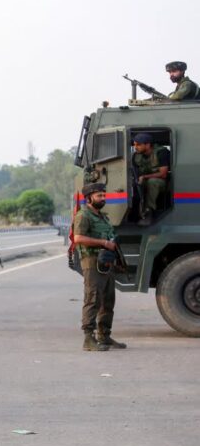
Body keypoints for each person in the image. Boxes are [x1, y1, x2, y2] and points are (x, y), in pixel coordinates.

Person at [72, 183, 127, 351]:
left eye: (104, 195)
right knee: (93, 298)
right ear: (89, 198)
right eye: (99, 196)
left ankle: (104, 336)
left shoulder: (103, 217)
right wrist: (103, 242)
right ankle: (88, 339)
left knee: (108, 300)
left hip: (106, 262)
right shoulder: (83, 216)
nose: (103, 199)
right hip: (91, 260)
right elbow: (78, 238)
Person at [132, 133, 169, 226]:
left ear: (148, 145)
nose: (135, 147)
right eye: (134, 144)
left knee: (152, 182)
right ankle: (134, 212)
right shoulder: (136, 156)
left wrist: (144, 177)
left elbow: (163, 174)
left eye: (138, 144)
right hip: (144, 180)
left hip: (162, 182)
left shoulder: (161, 152)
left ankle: (149, 212)